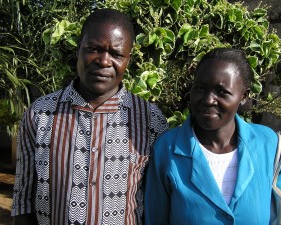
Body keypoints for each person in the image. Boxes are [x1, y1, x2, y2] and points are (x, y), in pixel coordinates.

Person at [11, 8, 168, 225]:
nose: (104, 61)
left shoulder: (151, 120)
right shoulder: (40, 114)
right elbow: (23, 201)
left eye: (116, 54)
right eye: (94, 49)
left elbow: (157, 204)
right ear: (78, 50)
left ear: (128, 59)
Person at [144, 48, 281, 224]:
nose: (209, 100)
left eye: (222, 92)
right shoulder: (167, 149)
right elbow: (155, 218)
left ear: (244, 96)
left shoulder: (268, 145)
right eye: (200, 88)